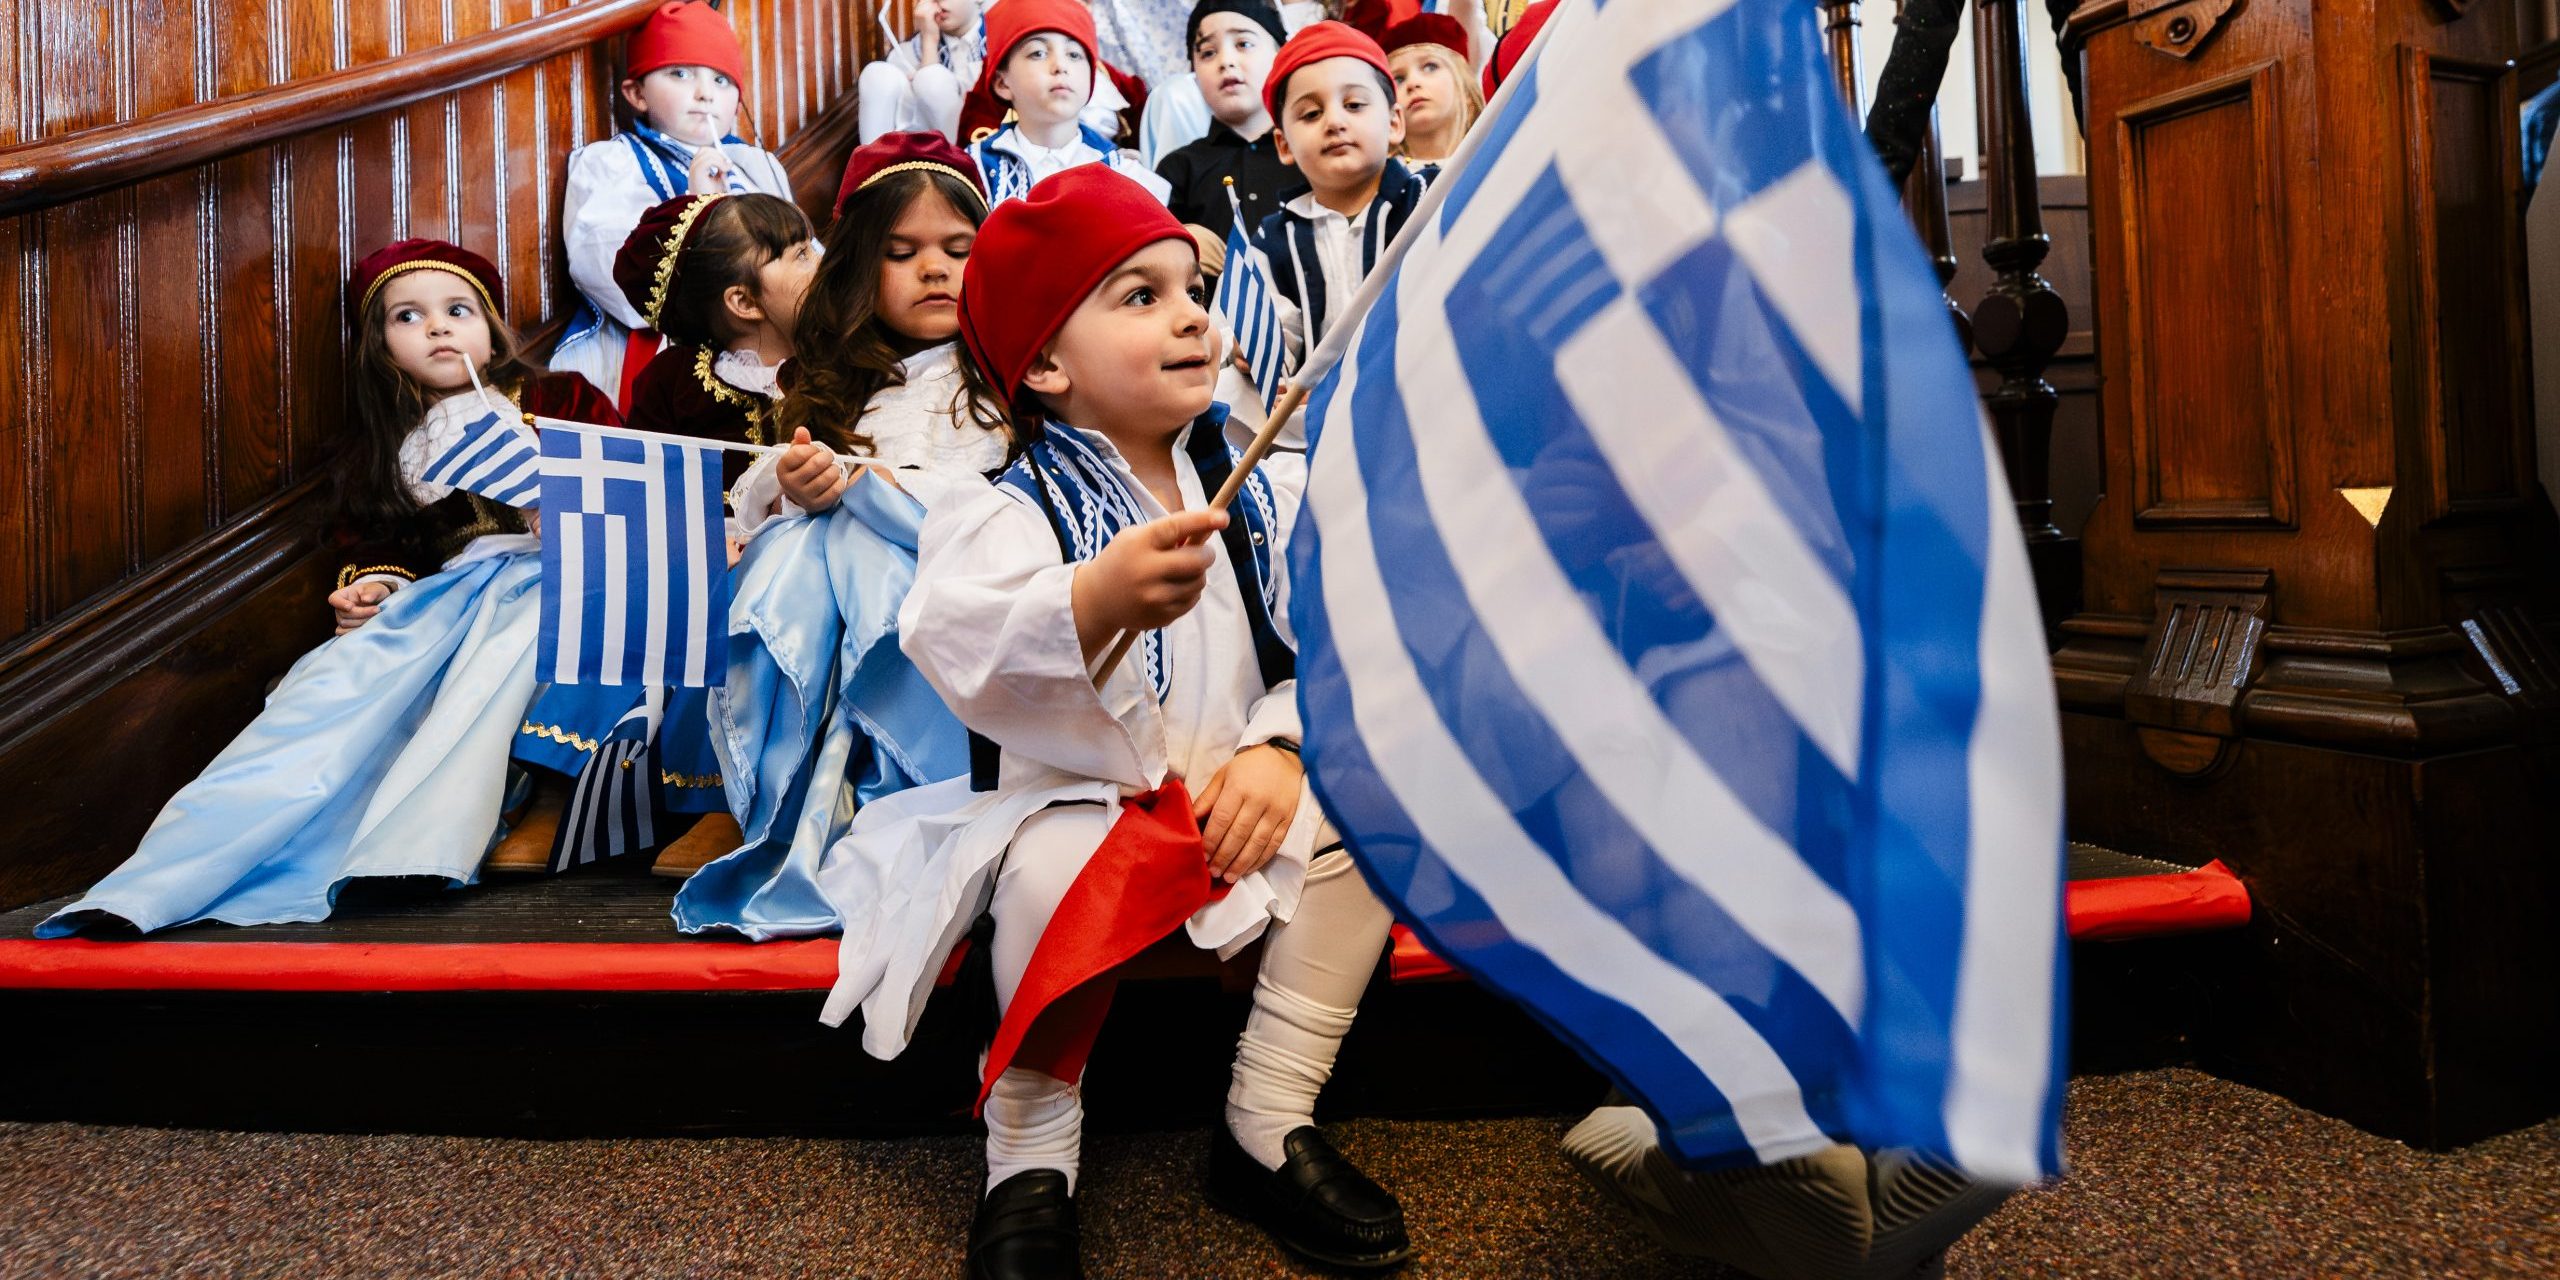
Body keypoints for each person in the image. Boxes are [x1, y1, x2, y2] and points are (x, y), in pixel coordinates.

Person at [815, 167, 1409, 1278]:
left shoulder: (1263, 495)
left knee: (1369, 819)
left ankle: (1267, 1114)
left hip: (1234, 797)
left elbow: (1336, 650)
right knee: (1050, 868)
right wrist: (1090, 601)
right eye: (1137, 295)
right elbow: (958, 640)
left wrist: (1280, 749)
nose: (1191, 312)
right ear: (1044, 361)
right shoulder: (997, 503)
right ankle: (1030, 1155)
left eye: (1190, 286)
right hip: (1079, 805)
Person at [36, 242, 628, 936]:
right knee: (331, 693)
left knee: (510, 650)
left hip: (573, 579)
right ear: (379, 346)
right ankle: (161, 881)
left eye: (457, 310)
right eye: (409, 316)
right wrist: (372, 587)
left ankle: (420, 843)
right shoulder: (388, 446)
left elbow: (631, 476)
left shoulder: (562, 398)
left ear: (493, 330)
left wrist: (574, 502)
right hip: (453, 598)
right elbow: (378, 543)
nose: (438, 327)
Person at [674, 134, 1006, 940]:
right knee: (797, 541)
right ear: (859, 268)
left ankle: (896, 783)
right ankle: (798, 799)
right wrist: (801, 486)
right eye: (902, 253)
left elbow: (1014, 501)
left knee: (847, 540)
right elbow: (763, 489)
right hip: (828, 609)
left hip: (955, 591)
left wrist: (884, 500)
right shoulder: (833, 388)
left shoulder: (1007, 375)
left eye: (959, 250)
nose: (935, 269)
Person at [604, 191, 825, 877]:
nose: (821, 261)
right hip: (709, 549)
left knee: (748, 604)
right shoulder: (675, 380)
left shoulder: (836, 362)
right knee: (642, 595)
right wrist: (695, 534)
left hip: (809, 538)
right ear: (742, 302)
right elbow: (644, 477)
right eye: (798, 253)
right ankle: (569, 783)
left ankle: (728, 800)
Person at [550, 1, 793, 414]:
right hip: (655, 346)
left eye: (721, 79)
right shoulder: (611, 163)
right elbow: (611, 273)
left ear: (737, 103)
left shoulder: (759, 167)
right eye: (680, 73)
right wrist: (696, 209)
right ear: (637, 93)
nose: (704, 93)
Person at [1257, 21, 1430, 361]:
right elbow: (1276, 331)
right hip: (1328, 409)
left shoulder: (1432, 196)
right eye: (1311, 114)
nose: (1334, 122)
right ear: (1283, 144)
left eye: (1354, 105)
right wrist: (1259, 351)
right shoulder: (1272, 238)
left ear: (1394, 122)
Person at [964, 0, 1172, 205]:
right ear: (1002, 83)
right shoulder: (974, 171)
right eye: (1038, 53)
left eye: (1074, 55)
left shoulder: (1128, 177)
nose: (1060, 66)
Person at [1154, 0, 1299, 259]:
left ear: (1280, 57)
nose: (1226, 61)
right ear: (1194, 75)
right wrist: (1183, 240)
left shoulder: (1306, 153)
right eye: (1208, 53)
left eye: (1244, 44)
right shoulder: (1178, 169)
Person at [858, 0, 989, 144]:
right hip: (917, 151)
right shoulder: (909, 52)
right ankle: (874, 163)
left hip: (975, 140)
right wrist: (929, 41)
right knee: (876, 75)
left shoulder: (997, 38)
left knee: (931, 78)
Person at [1381, 9, 1483, 169]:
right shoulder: (1379, 183)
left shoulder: (1494, 162)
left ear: (1465, 91)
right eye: (1398, 79)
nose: (1413, 83)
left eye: (1430, 67)